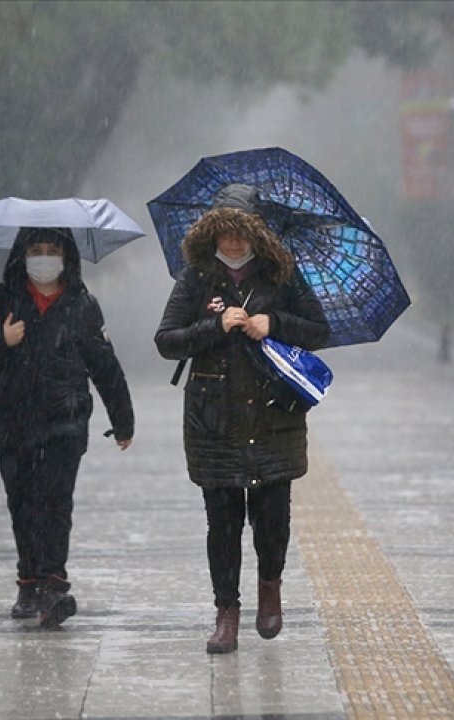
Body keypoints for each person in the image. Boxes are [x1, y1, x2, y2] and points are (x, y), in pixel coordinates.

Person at [154, 187, 330, 653]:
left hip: (275, 418)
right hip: (214, 421)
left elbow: (319, 331)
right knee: (223, 522)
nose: (232, 242)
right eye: (224, 233)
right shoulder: (196, 280)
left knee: (273, 519)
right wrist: (217, 325)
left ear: (258, 235)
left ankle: (269, 587)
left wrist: (274, 323)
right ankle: (225, 612)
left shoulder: (282, 277)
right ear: (212, 233)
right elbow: (167, 340)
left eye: (241, 233)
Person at [0, 227, 134, 629]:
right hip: (13, 423)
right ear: (22, 255)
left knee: (55, 502)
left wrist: (122, 420)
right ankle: (28, 582)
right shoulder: (1, 298)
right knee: (22, 504)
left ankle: (54, 583)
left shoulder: (82, 305)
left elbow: (105, 366)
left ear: (66, 257)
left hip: (65, 423)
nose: (43, 259)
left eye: (52, 251)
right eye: (35, 250)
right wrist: (1, 339)